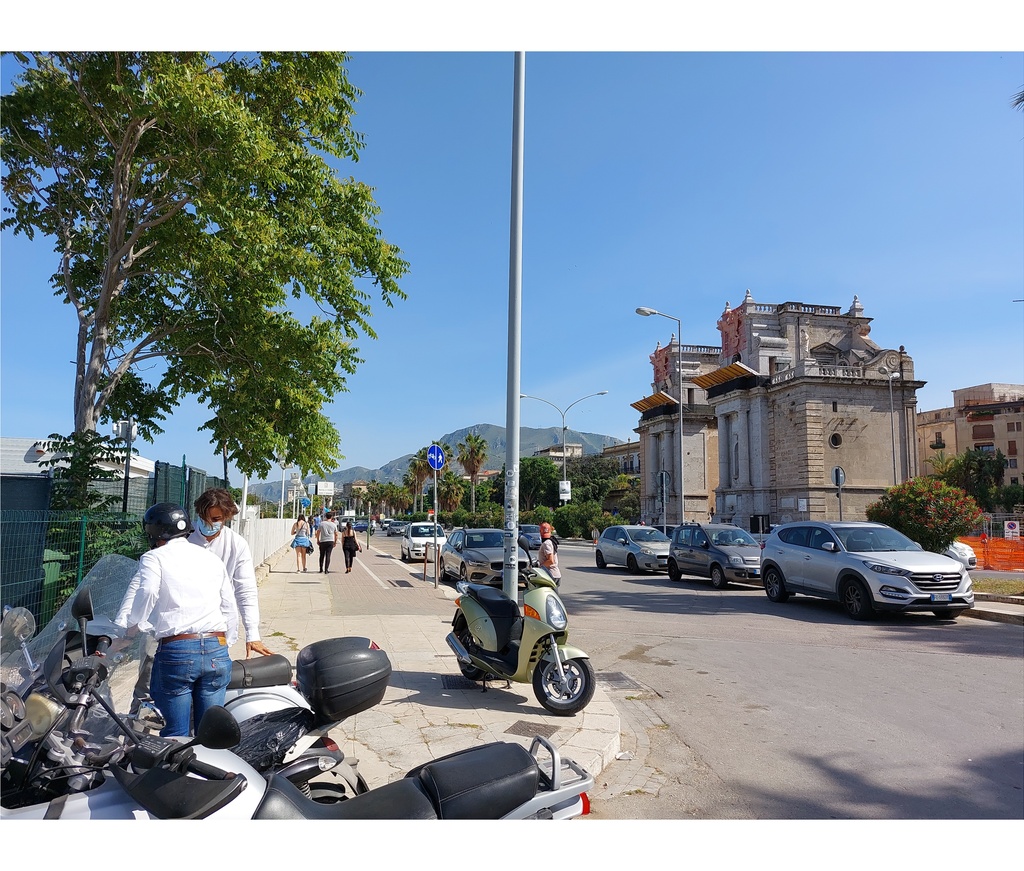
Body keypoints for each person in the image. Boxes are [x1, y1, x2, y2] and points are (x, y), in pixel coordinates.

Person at [115, 502, 238, 737]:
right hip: (217, 648)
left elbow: (147, 591)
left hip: (178, 650)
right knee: (209, 734)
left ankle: (176, 773)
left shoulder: (154, 558)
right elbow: (229, 606)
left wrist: (133, 628)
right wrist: (226, 643)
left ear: (153, 533)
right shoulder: (211, 559)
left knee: (174, 734)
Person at [538, 521, 561, 587]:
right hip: (554, 574)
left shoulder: (546, 543)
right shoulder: (550, 541)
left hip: (550, 575)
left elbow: (550, 561)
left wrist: (540, 567)